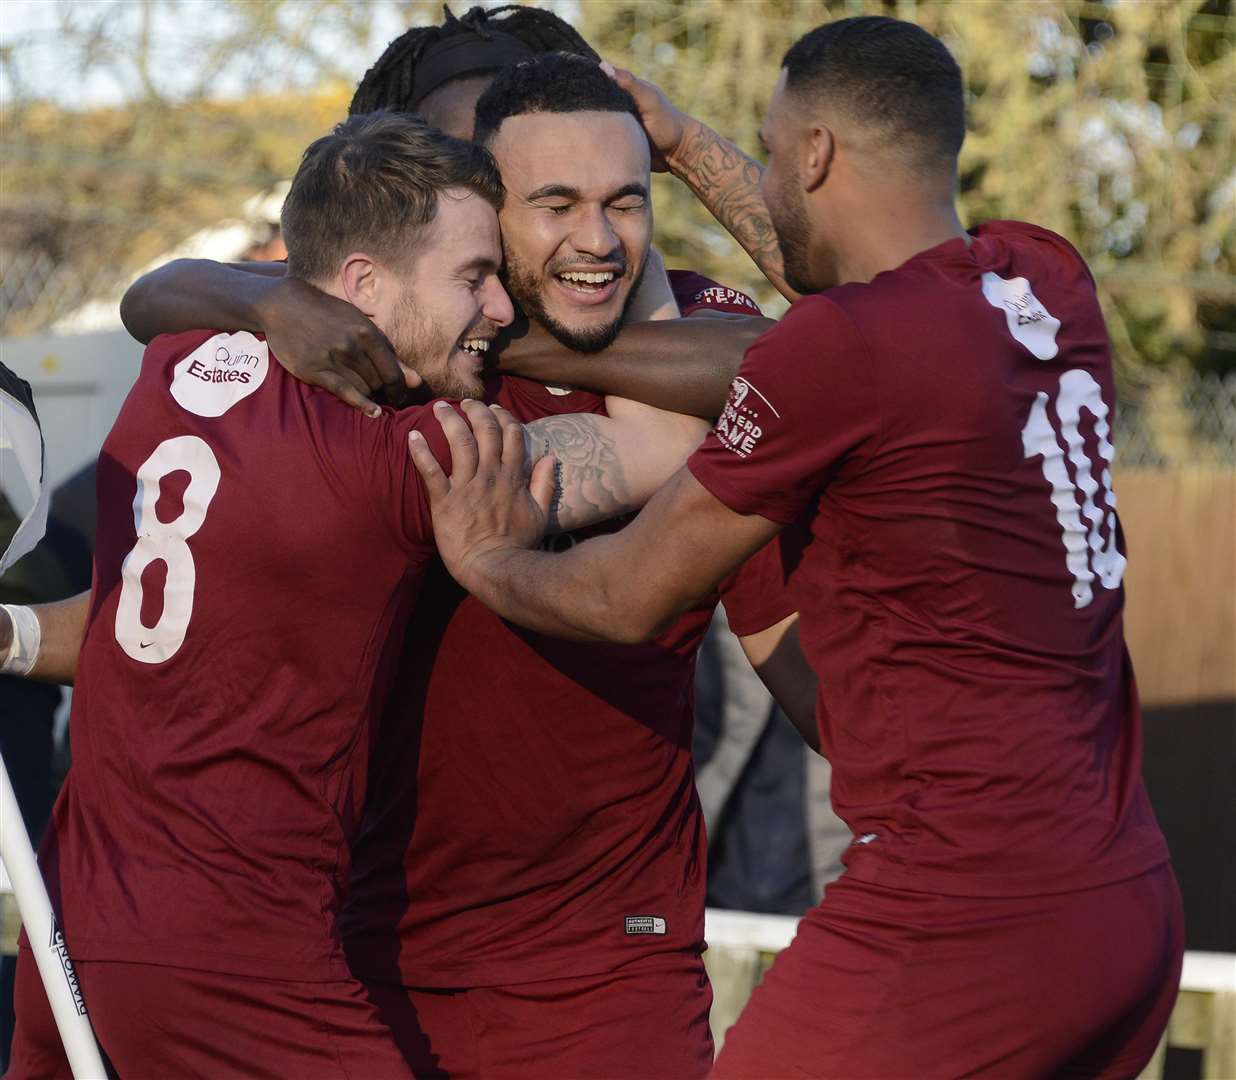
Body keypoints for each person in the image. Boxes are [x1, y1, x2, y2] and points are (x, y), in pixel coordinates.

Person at [407, 17, 1184, 1079]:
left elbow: (630, 596)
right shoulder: (1043, 277)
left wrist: (490, 556)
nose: (763, 179)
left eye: (772, 153)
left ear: (814, 156)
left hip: (962, 910)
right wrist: (678, 141)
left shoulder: (839, 353)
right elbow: (849, 286)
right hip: (1127, 899)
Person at [121, 44, 809, 1078]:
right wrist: (266, 299)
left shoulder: (657, 331)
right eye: (477, 161)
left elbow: (825, 349)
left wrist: (672, 152)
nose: (487, 192)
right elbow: (152, 301)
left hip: (608, 965)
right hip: (368, 947)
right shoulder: (352, 358)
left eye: (617, 193)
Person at [1, 111, 714, 1079]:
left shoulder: (169, 369)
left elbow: (145, 617)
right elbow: (667, 443)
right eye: (474, 276)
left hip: (75, 914)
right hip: (237, 951)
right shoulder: (405, 457)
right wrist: (624, 235)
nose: (501, 307)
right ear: (364, 285)